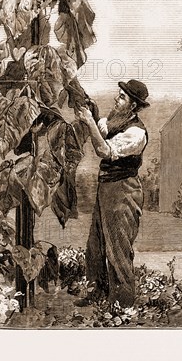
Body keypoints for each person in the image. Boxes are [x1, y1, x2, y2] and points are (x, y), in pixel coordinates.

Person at [75, 79, 150, 308]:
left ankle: (122, 304)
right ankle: (97, 292)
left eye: (122, 97)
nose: (116, 100)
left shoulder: (136, 133)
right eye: (118, 95)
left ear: (133, 106)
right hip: (106, 187)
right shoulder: (114, 121)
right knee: (95, 244)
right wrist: (91, 112)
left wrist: (88, 121)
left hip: (124, 190)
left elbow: (103, 150)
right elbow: (101, 129)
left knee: (117, 246)